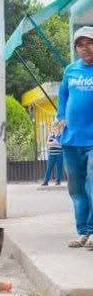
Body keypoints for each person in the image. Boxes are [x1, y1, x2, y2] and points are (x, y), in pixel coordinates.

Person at [55, 26, 93, 248]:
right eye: (80, 44)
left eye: (89, 43)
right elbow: (62, 96)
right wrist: (60, 118)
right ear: (76, 48)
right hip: (70, 140)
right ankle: (84, 231)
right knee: (76, 190)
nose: (85, 48)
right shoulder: (70, 70)